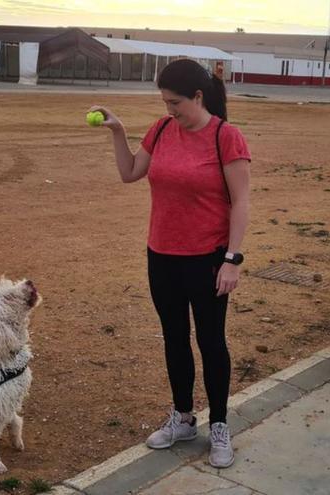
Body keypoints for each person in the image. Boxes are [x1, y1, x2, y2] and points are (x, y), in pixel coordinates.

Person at [89, 58, 251, 468]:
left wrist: (232, 260)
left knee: (211, 342)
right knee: (174, 338)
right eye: (164, 102)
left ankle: (218, 424)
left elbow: (241, 203)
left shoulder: (225, 137)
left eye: (175, 102)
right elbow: (130, 173)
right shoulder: (161, 130)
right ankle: (182, 418)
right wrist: (119, 131)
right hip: (162, 255)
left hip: (209, 259)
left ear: (198, 97)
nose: (169, 110)